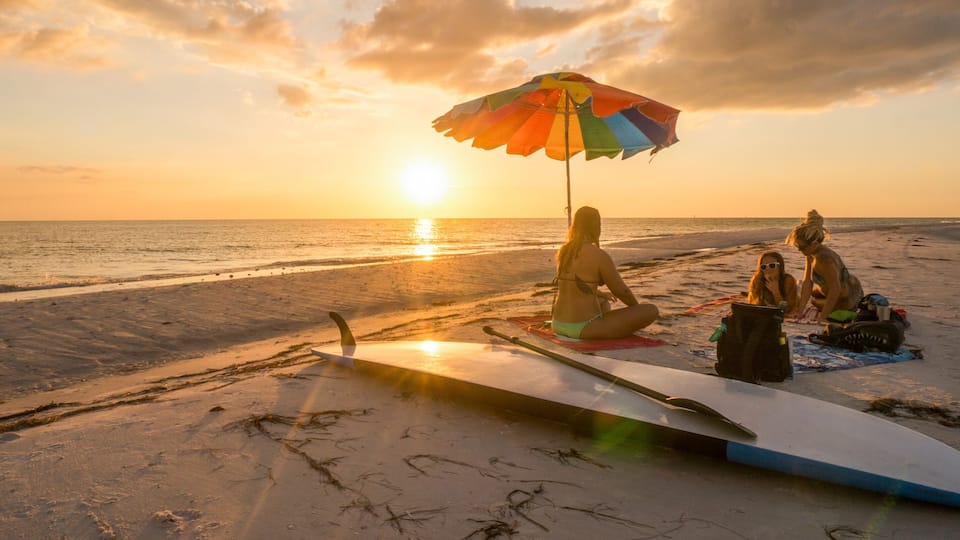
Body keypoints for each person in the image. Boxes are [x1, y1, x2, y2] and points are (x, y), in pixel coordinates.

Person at [551, 206, 658, 339]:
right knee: (650, 310)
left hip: (558, 324)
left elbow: (572, 285)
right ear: (596, 227)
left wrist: (600, 293)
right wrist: (634, 309)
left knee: (603, 300)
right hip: (583, 328)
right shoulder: (599, 255)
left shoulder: (564, 251)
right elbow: (621, 291)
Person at [785, 210, 863, 322]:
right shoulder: (811, 253)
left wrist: (823, 318)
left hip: (849, 300)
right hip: (843, 290)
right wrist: (800, 311)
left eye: (802, 247)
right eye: (797, 246)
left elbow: (835, 290)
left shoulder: (824, 260)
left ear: (814, 244)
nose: (799, 249)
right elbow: (808, 282)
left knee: (814, 301)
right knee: (805, 289)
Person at [747, 250, 799, 316]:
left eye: (772, 265)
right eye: (763, 267)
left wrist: (776, 292)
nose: (768, 269)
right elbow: (753, 305)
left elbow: (787, 310)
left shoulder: (788, 280)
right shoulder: (757, 280)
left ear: (780, 267)